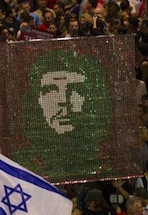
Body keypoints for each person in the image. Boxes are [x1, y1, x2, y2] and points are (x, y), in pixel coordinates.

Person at [14, 50, 113, 178]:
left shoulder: (107, 165)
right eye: (51, 90)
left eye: (76, 89)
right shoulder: (21, 167)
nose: (63, 101)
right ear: (36, 100)